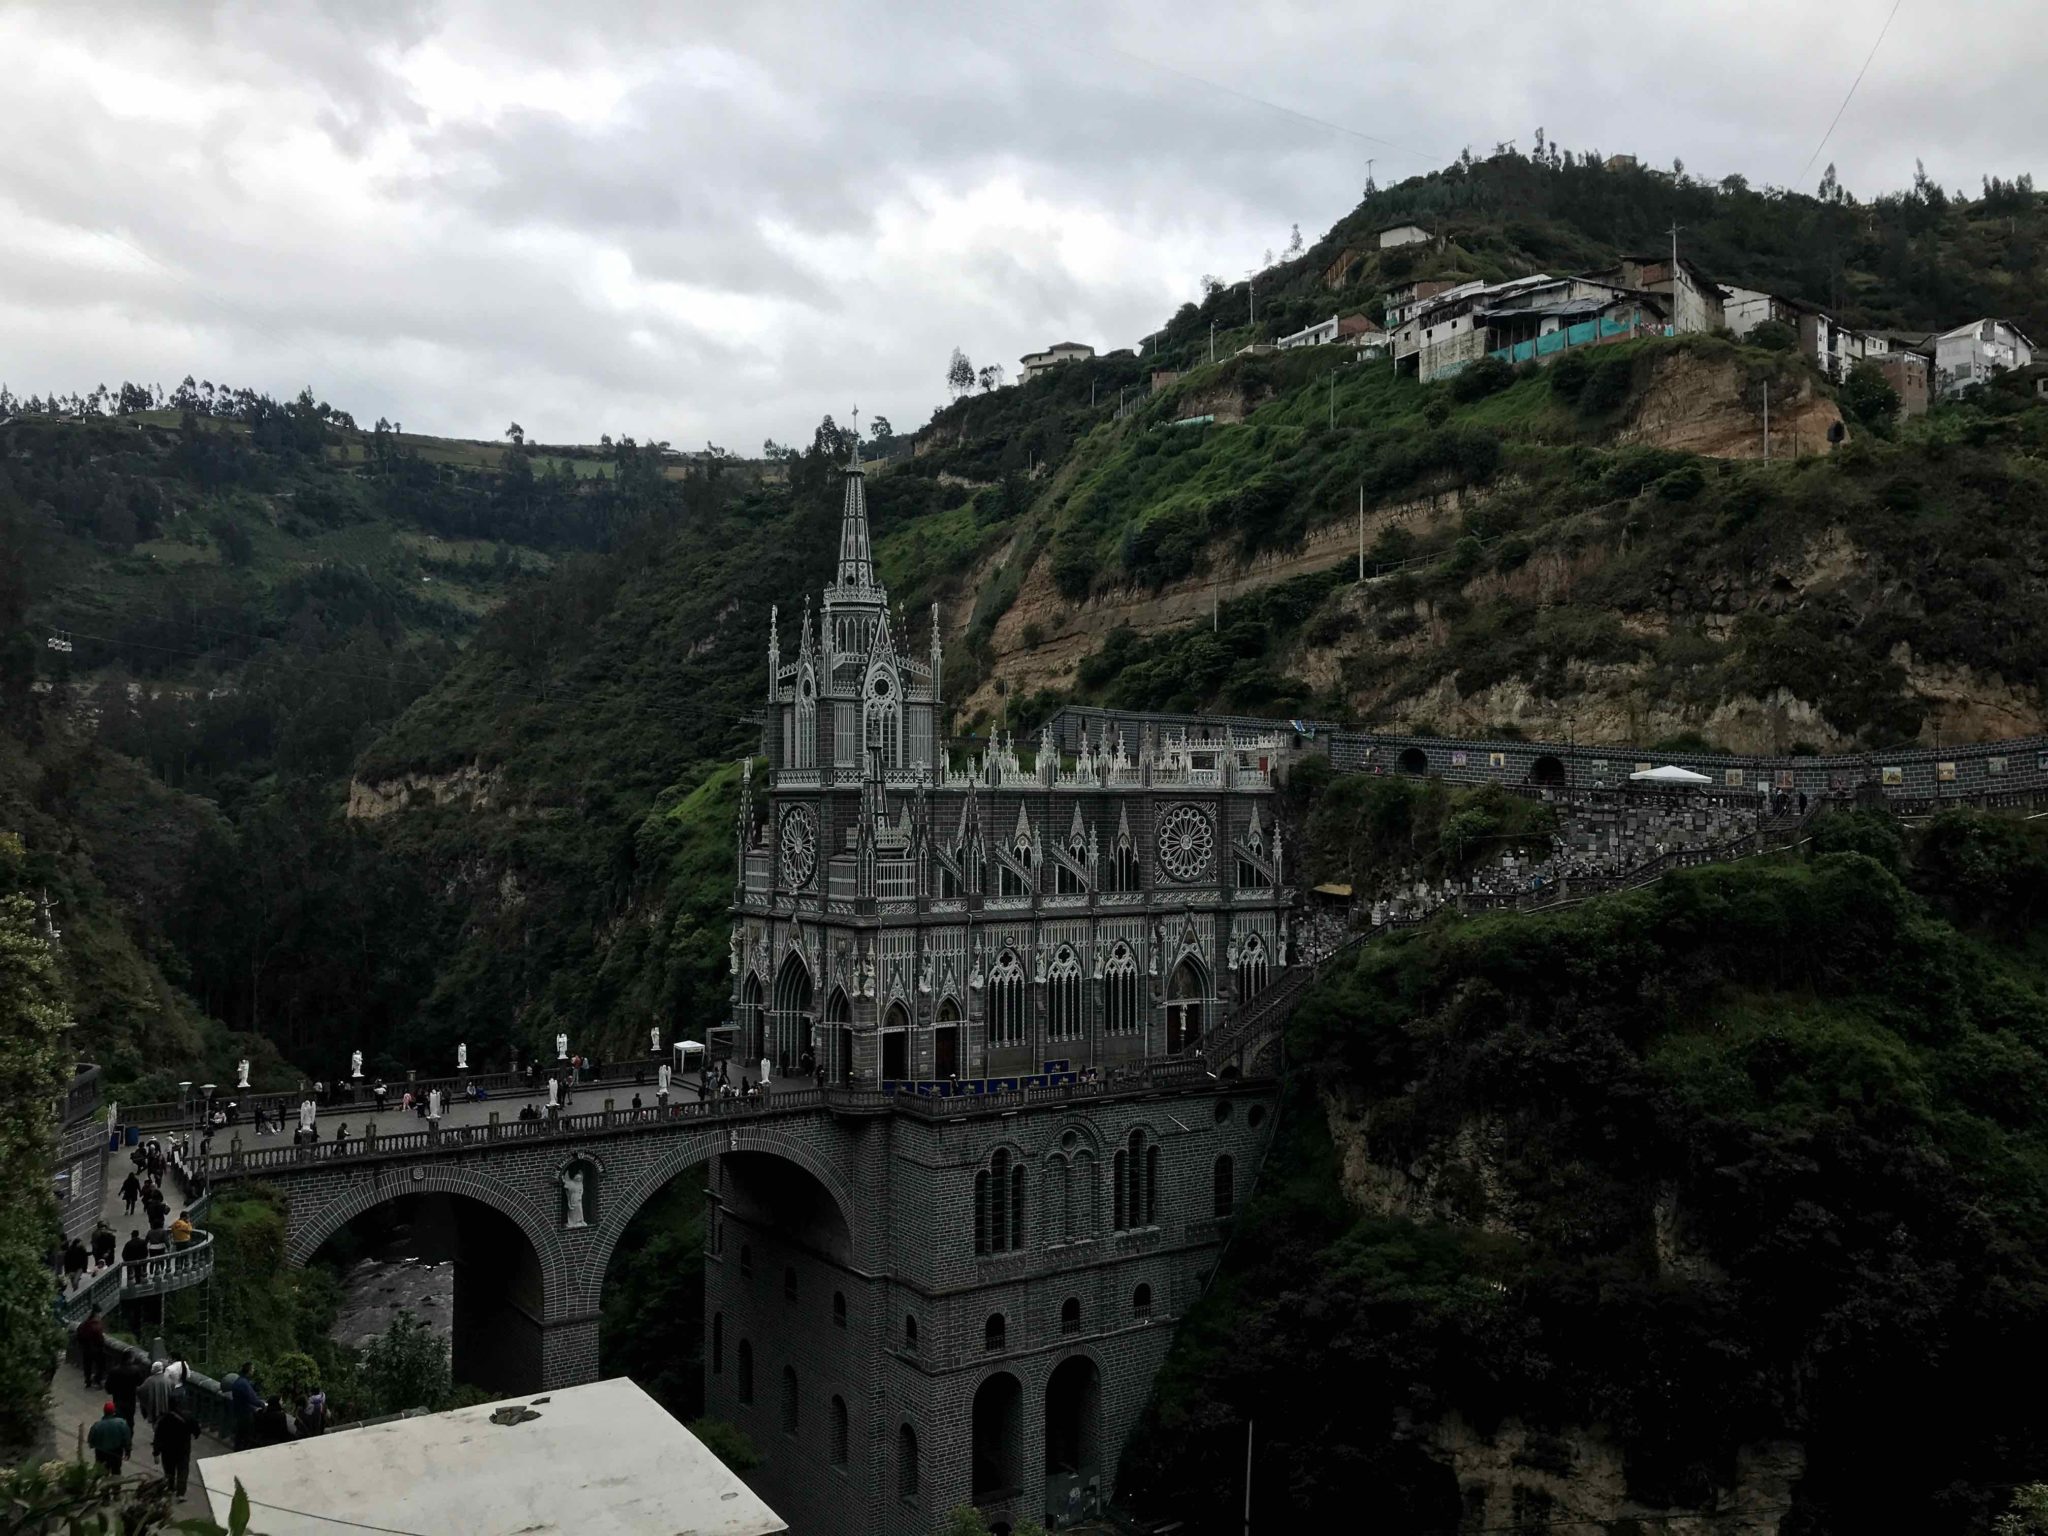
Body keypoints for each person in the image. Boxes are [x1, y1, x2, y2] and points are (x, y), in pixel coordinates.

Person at [153, 1399, 195, 1495]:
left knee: (169, 1470)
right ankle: (181, 1493)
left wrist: (156, 1452)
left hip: (167, 1451)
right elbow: (196, 1431)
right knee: (183, 1471)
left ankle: (171, 1487)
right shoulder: (188, 1418)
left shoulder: (163, 1419)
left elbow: (158, 1437)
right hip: (183, 1450)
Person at [224, 1362, 265, 1449]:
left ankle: (237, 1449)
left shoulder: (238, 1381)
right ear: (249, 1371)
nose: (253, 1370)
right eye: (252, 1369)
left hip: (238, 1411)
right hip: (245, 1413)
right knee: (246, 1435)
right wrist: (263, 1404)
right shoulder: (244, 1384)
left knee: (240, 1435)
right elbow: (252, 1399)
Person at [87, 1401, 131, 1473]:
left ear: (104, 1412)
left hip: (101, 1453)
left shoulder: (97, 1426)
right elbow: (127, 1438)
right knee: (116, 1472)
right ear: (114, 1412)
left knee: (101, 1473)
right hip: (116, 1453)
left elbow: (91, 1442)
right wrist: (127, 1451)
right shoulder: (122, 1424)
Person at [107, 1351, 146, 1427]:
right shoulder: (136, 1370)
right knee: (130, 1420)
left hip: (118, 1399)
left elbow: (108, 1387)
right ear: (130, 1359)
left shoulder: (114, 1371)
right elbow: (140, 1382)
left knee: (118, 1419)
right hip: (130, 1400)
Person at [77, 1306, 107, 1386]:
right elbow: (100, 1338)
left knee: (87, 1365)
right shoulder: (96, 1324)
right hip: (96, 1349)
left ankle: (88, 1380)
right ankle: (98, 1380)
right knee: (100, 1365)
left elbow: (79, 1334)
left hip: (86, 1348)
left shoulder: (85, 1323)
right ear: (97, 1314)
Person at [137, 1360, 172, 1426]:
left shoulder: (150, 1380)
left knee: (156, 1425)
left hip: (155, 1408)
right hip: (166, 1407)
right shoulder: (168, 1379)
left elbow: (141, 1391)